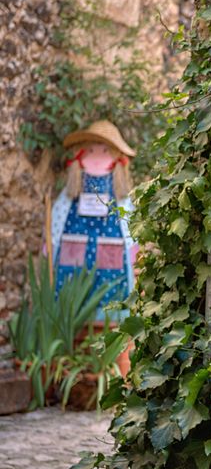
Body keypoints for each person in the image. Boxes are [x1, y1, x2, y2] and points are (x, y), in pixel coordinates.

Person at [50, 120, 137, 322]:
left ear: (117, 158)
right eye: (90, 150)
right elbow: (59, 214)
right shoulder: (74, 189)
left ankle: (111, 331)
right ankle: (74, 332)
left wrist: (133, 248)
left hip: (111, 249)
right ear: (80, 155)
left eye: (105, 150)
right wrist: (52, 243)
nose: (97, 156)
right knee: (71, 285)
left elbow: (128, 221)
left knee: (112, 287)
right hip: (74, 249)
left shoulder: (120, 193)